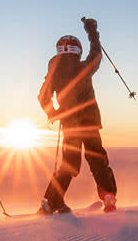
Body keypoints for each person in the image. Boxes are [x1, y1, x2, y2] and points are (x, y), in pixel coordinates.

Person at [37, 18, 118, 214]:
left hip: (70, 124)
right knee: (98, 160)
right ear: (78, 50)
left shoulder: (54, 73)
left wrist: (54, 113)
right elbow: (97, 54)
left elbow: (43, 96)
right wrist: (92, 31)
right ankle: (108, 198)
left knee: (69, 164)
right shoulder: (84, 68)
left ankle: (51, 201)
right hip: (90, 123)